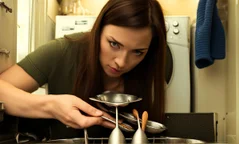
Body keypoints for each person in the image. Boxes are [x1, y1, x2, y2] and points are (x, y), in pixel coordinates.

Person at [0, 0, 167, 140]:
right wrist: (51, 106)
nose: (121, 62)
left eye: (138, 52)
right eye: (114, 44)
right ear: (98, 30)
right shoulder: (63, 51)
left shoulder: (151, 66)